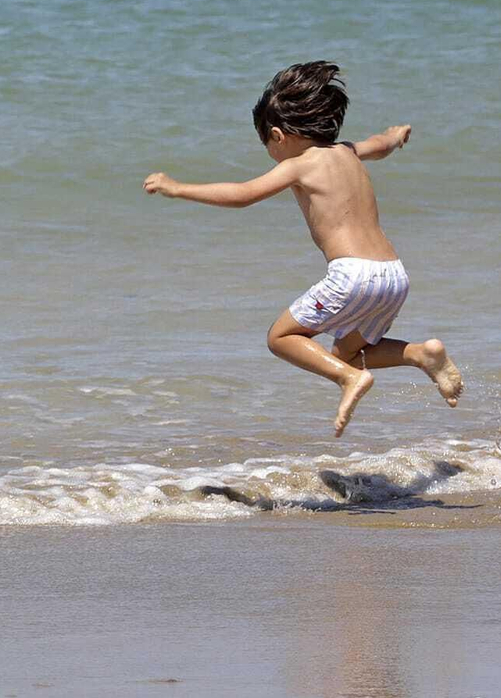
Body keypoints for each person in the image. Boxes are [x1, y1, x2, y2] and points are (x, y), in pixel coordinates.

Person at [142, 61, 462, 436]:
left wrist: (177, 188)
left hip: (352, 275)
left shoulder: (300, 165)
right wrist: (394, 136)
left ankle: (348, 380)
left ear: (277, 135)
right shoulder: (347, 151)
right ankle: (422, 353)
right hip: (393, 275)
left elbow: (242, 194)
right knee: (345, 353)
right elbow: (379, 146)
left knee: (281, 338)